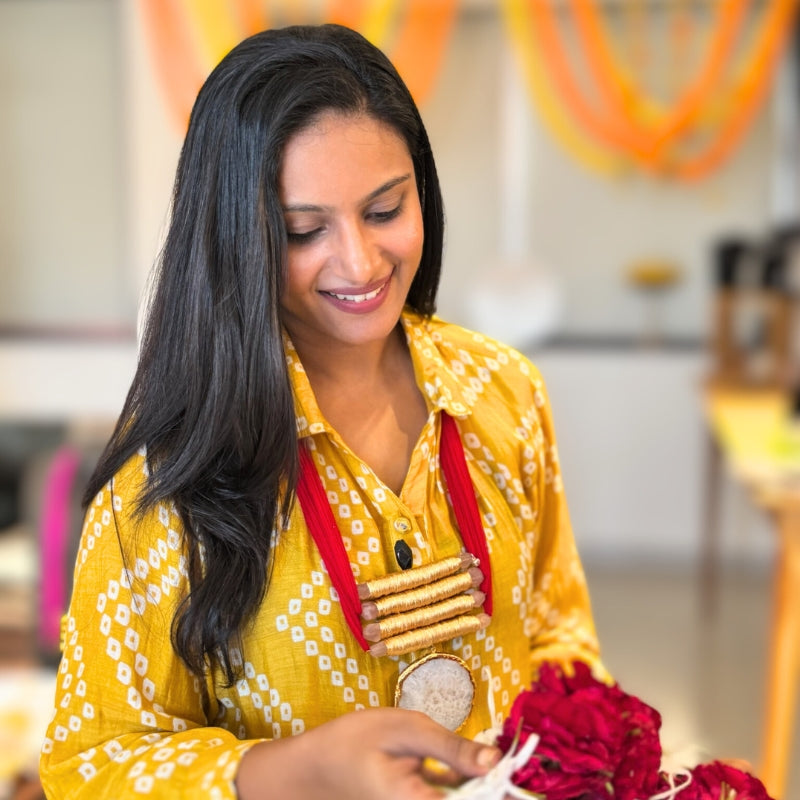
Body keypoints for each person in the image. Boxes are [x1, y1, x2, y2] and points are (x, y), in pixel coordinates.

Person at [39, 23, 606, 800]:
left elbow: (558, 635)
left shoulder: (502, 390)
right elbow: (91, 766)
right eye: (305, 230)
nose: (362, 264)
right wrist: (295, 773)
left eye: (384, 210)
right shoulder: (165, 488)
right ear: (235, 239)